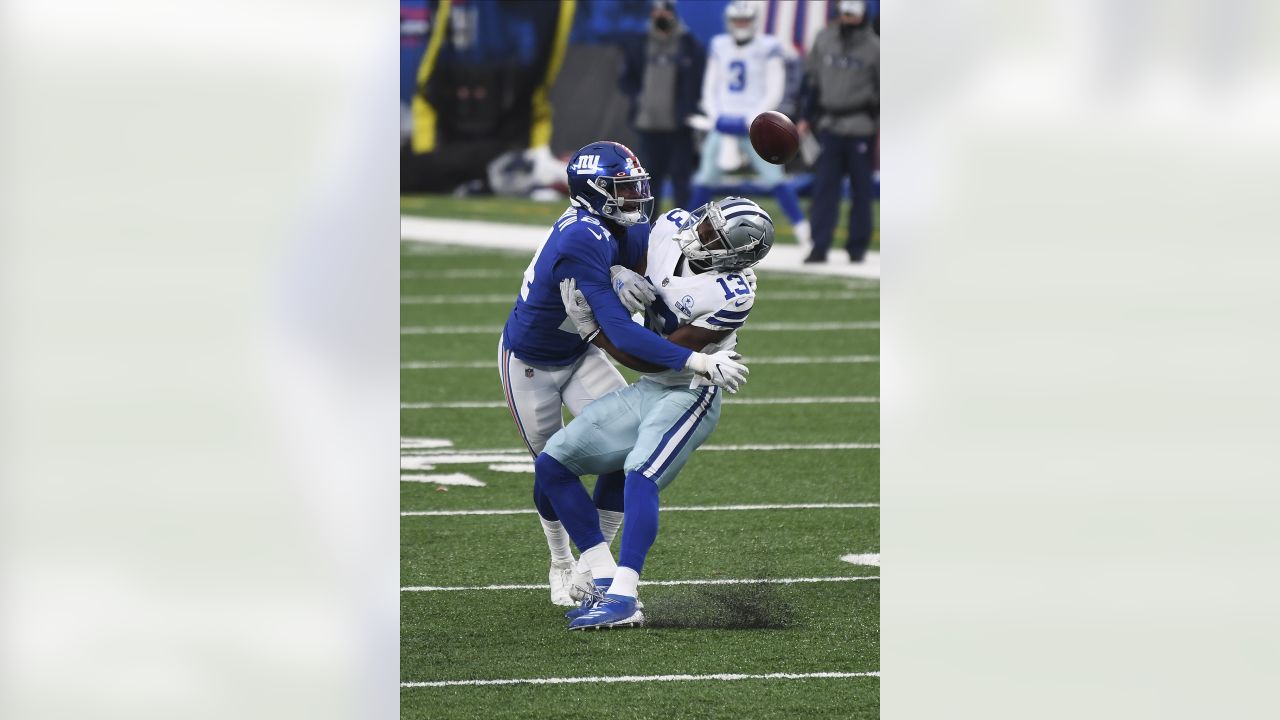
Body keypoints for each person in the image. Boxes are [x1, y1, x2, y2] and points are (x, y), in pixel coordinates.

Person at [499, 140, 750, 607]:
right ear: (591, 192)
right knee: (551, 467)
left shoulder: (625, 228)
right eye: (622, 188)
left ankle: (595, 567)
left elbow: (659, 260)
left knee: (616, 452)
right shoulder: (580, 236)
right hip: (530, 359)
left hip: (582, 351)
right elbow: (620, 333)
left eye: (637, 186)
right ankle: (562, 563)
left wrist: (617, 270)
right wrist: (696, 361)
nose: (636, 197)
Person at [535, 197, 775, 630]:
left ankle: (625, 597)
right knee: (552, 464)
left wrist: (594, 332)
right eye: (706, 223)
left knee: (640, 472)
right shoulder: (673, 226)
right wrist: (613, 272)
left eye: (711, 235)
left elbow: (657, 358)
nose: (698, 233)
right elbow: (623, 251)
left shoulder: (732, 293)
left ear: (734, 255)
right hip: (653, 388)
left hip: (692, 389)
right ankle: (604, 579)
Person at [691, 1, 810, 249]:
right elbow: (709, 85)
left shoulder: (767, 47)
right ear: (730, 22)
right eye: (737, 21)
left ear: (754, 22)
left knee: (776, 179)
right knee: (704, 180)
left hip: (756, 126)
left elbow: (775, 89)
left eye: (745, 21)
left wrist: (751, 119)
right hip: (722, 124)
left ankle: (804, 233)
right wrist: (716, 117)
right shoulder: (719, 45)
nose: (741, 25)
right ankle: (691, 232)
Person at [797, 0, 880, 263]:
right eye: (845, 14)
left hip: (860, 125)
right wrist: (805, 116)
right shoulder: (824, 39)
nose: (848, 19)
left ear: (862, 16)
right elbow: (811, 80)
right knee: (824, 189)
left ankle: (857, 247)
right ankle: (819, 245)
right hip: (829, 125)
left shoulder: (874, 46)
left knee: (861, 189)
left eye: (853, 15)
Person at [618, 0, 706, 213]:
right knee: (648, 183)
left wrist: (691, 108)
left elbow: (700, 80)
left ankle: (684, 229)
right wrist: (640, 97)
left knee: (681, 181)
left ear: (673, 14)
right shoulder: (640, 43)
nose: (661, 15)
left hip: (679, 125)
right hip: (648, 124)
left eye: (665, 11)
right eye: (657, 11)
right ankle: (647, 230)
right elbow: (625, 79)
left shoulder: (689, 45)